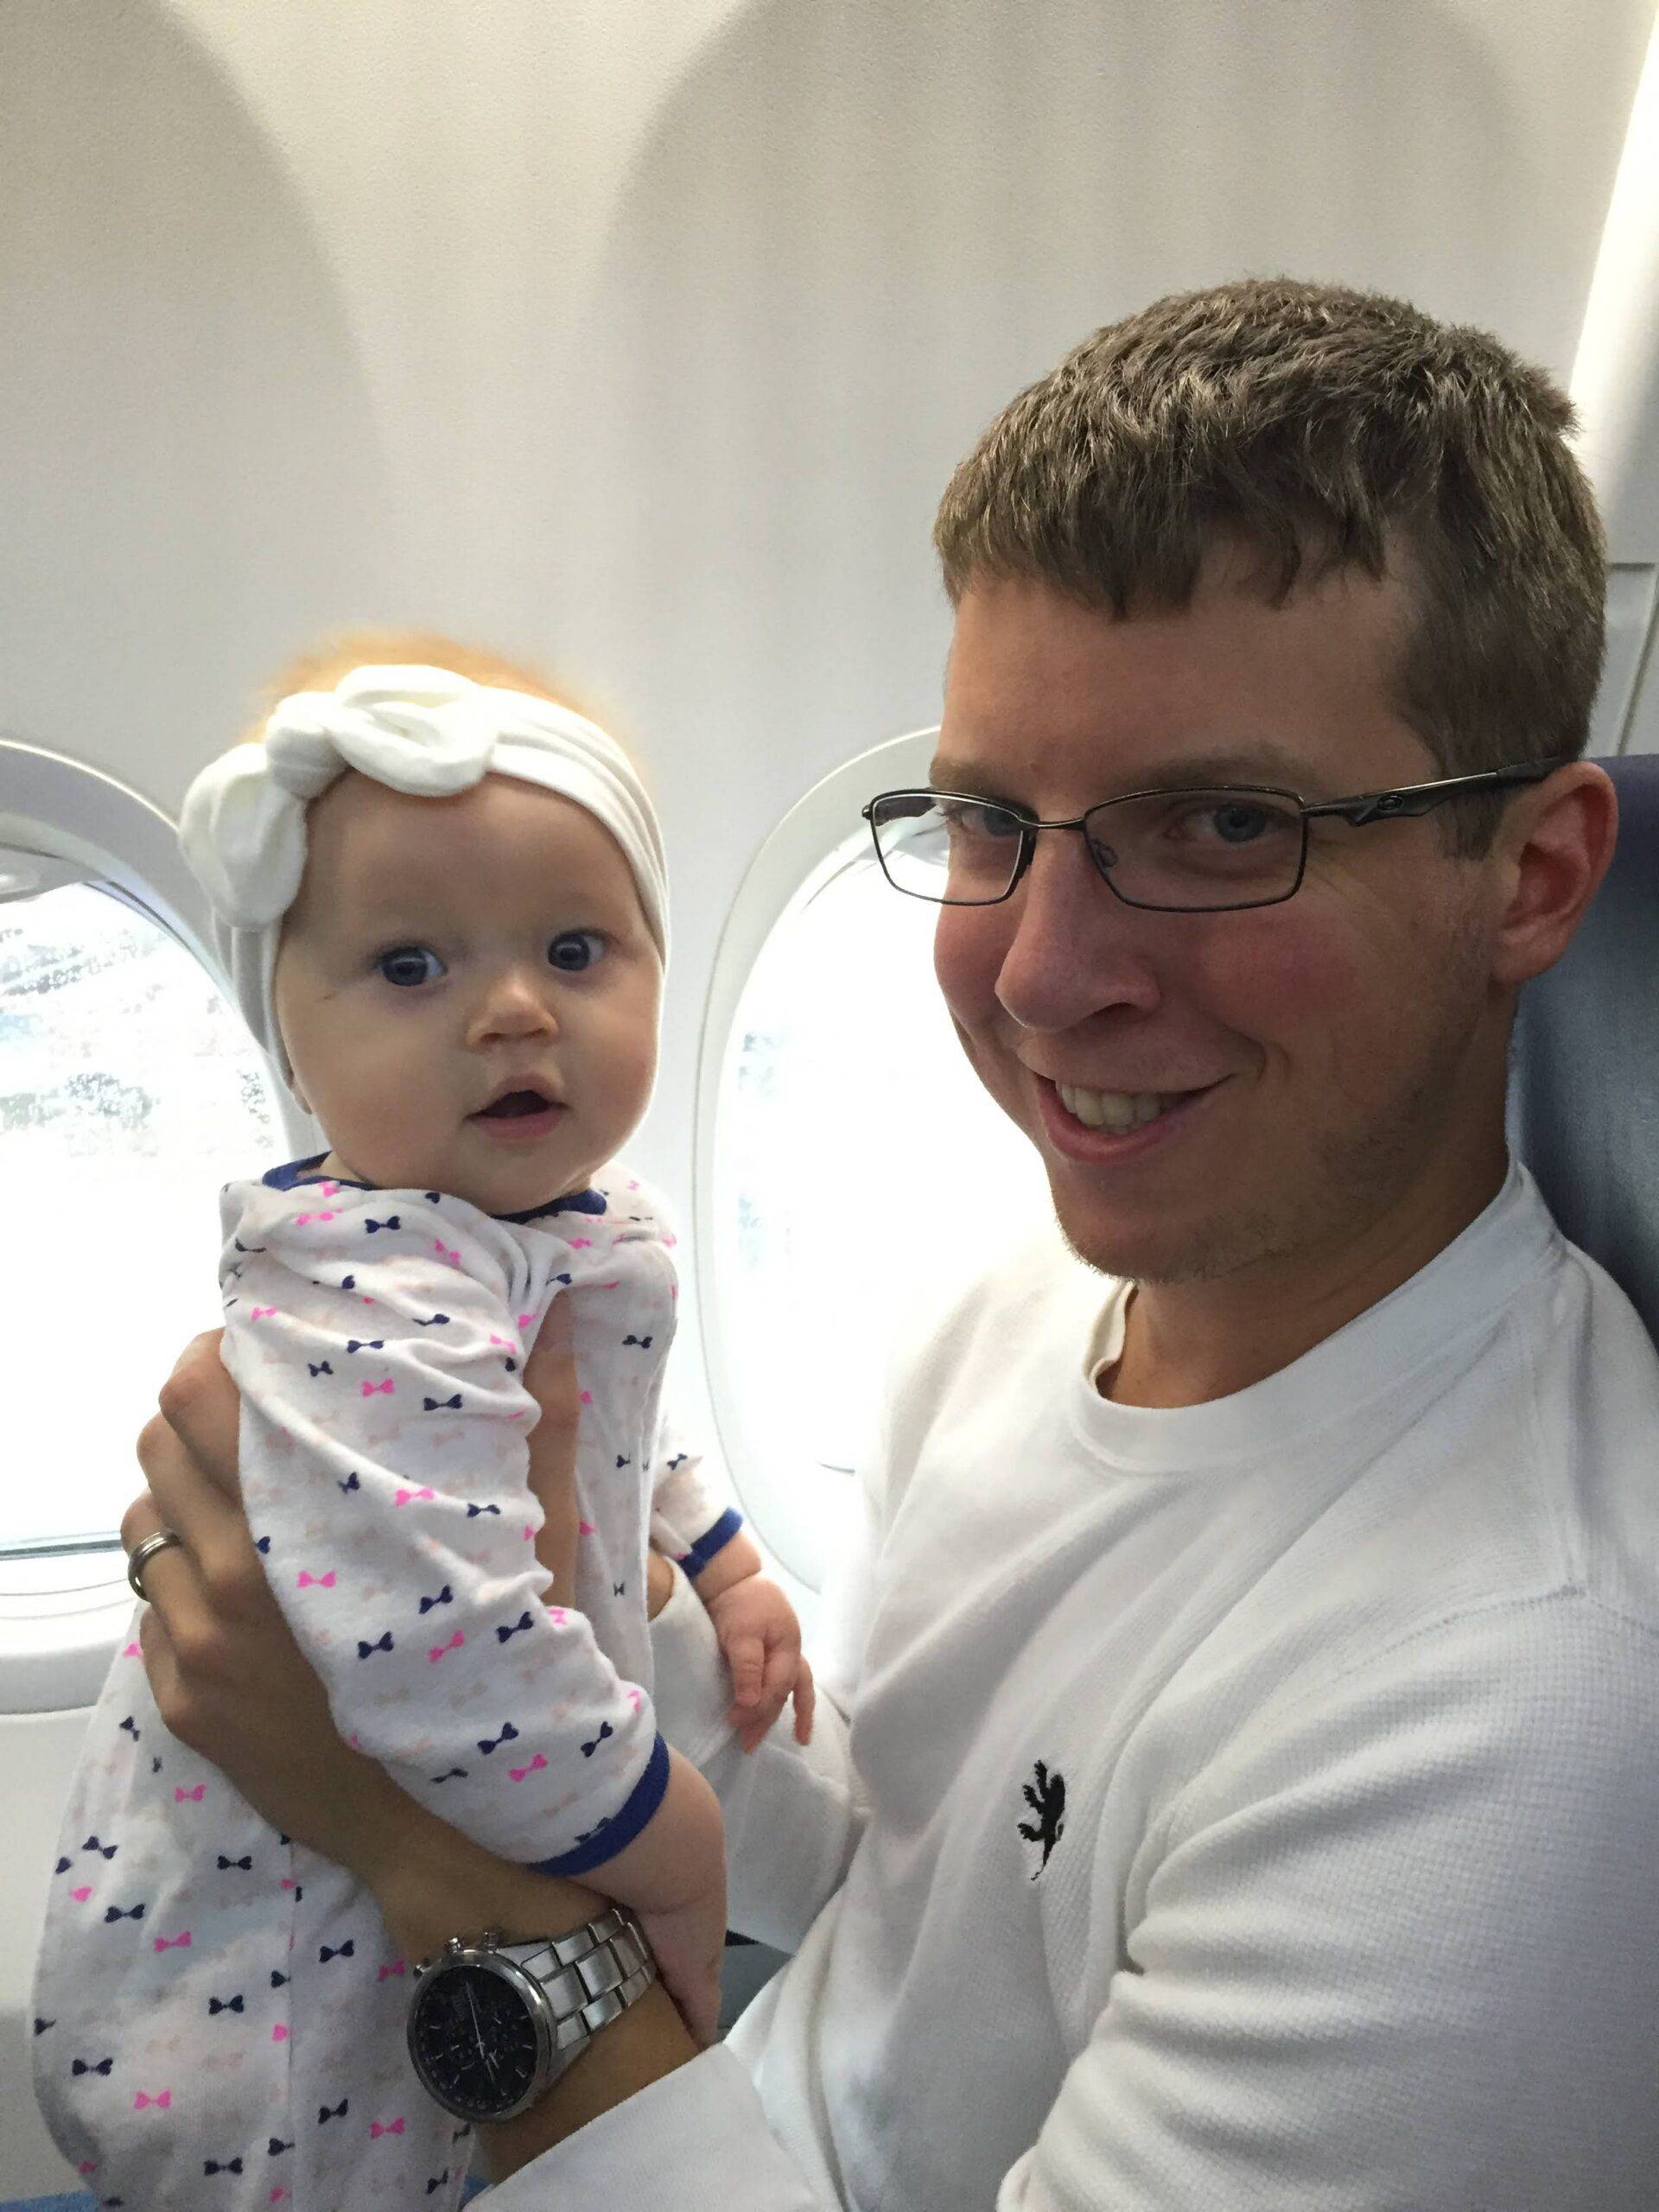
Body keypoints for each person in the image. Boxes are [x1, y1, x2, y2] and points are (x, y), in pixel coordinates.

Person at [112, 278, 1659, 2208]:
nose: (1037, 968)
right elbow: (900, 1865)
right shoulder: (1037, 1299)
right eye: (989, 815)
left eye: (1222, 825)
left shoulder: (1517, 1737)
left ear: (1530, 877)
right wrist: (549, 1587)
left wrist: (394, 1813)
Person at [33, 640, 811, 2211]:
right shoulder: (371, 1283)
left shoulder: (563, 1226)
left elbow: (621, 1428)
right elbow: (438, 1654)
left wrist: (717, 1561)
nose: (514, 1009)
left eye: (579, 949)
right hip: (274, 1950)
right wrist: (678, 1847)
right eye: (410, 968)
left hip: (441, 1821)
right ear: (290, 1039)